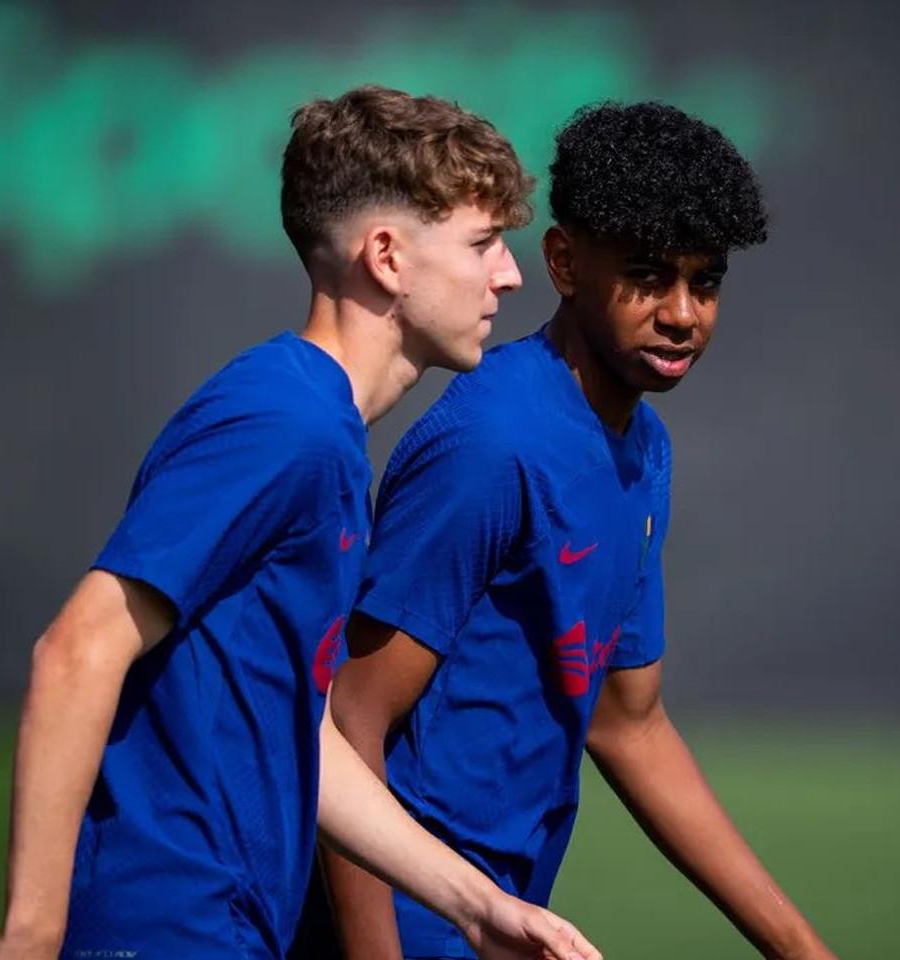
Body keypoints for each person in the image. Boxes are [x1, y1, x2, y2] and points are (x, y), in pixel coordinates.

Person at [0, 85, 600, 960]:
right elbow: (79, 649)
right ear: (387, 256)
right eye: (483, 243)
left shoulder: (326, 434)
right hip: (168, 931)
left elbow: (301, 731)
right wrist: (30, 936)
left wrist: (474, 905)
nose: (509, 273)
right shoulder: (287, 423)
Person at [320, 101, 837, 960]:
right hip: (413, 921)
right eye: (648, 276)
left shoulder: (643, 448)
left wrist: (797, 945)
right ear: (563, 262)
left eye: (704, 282)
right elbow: (348, 721)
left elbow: (627, 723)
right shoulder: (492, 443)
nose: (682, 313)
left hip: (509, 920)